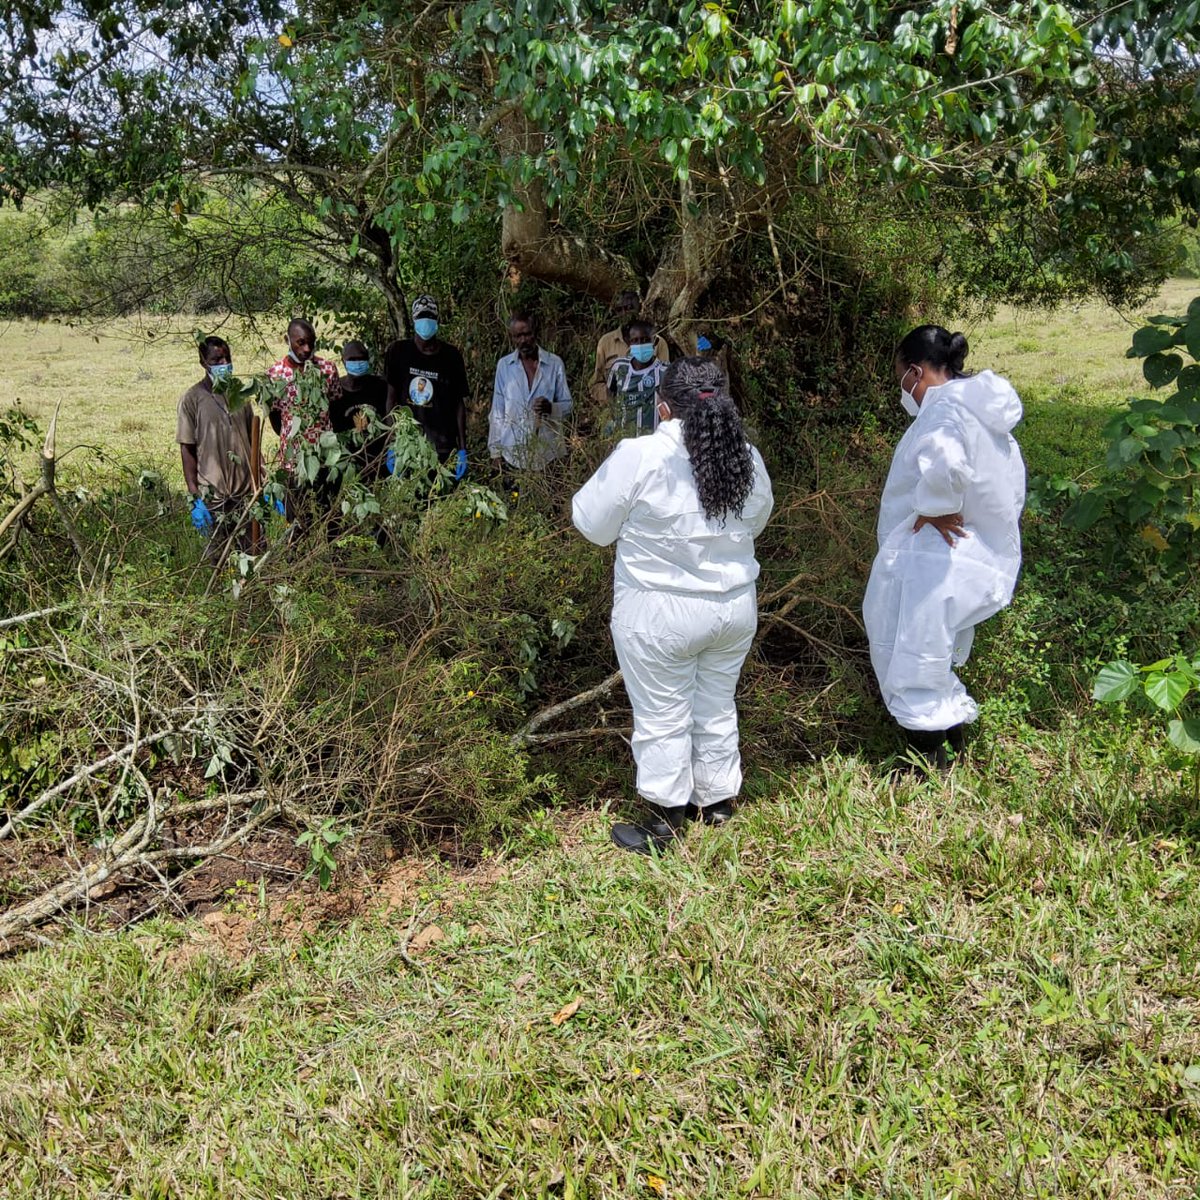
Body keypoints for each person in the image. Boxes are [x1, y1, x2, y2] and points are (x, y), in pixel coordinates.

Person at [572, 357, 774, 854]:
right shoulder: (744, 454)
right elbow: (758, 519)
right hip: (732, 609)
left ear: (662, 407)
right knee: (715, 706)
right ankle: (719, 804)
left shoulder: (640, 455)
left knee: (663, 715)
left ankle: (665, 822)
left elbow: (591, 524)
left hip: (661, 615)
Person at [862, 325, 1026, 765]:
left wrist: (936, 506)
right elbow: (1011, 484)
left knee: (912, 650)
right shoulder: (982, 412)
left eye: (902, 378)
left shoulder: (945, 411)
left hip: (933, 556)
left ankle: (927, 757)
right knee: (933, 652)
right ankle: (952, 741)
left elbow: (947, 463)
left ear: (915, 372)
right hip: (970, 554)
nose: (903, 390)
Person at [176, 335, 259, 563]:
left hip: (245, 496)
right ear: (203, 362)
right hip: (213, 498)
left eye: (227, 359)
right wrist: (195, 498)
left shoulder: (240, 393)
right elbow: (187, 449)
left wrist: (262, 482)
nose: (224, 365)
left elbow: (253, 442)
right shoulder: (192, 399)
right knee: (218, 562)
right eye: (216, 360)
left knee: (254, 559)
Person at [383, 295, 469, 481]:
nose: (425, 321)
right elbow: (391, 400)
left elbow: (459, 404)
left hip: (443, 446)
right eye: (421, 316)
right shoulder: (398, 352)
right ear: (414, 320)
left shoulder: (451, 356)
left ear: (437, 320)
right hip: (409, 446)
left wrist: (462, 448)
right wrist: (392, 443)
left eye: (429, 315)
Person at [266, 318, 342, 522]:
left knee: (332, 520)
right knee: (298, 522)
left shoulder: (327, 369)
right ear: (287, 340)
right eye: (300, 342)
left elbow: (335, 407)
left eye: (311, 342)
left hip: (326, 459)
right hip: (293, 462)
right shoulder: (275, 375)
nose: (307, 348)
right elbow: (275, 417)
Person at [489, 313, 573, 474]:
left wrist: (551, 408)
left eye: (527, 334)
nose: (523, 340)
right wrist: (495, 453)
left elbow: (568, 405)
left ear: (535, 333)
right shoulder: (504, 366)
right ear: (512, 337)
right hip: (512, 455)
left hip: (548, 456)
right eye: (518, 336)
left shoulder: (554, 364)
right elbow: (497, 412)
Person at [588, 290, 669, 412]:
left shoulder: (657, 342)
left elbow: (666, 382)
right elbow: (595, 384)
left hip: (649, 414)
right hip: (615, 416)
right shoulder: (606, 342)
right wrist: (614, 398)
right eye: (619, 310)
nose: (624, 313)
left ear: (639, 308)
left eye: (629, 308)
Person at [331, 340, 389, 482]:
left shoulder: (381, 386)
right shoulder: (335, 391)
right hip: (347, 463)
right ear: (343, 361)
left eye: (362, 358)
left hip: (378, 460)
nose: (357, 363)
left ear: (368, 360)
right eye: (352, 359)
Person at [605, 318, 668, 438]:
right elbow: (610, 390)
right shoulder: (619, 367)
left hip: (653, 441)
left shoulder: (664, 372)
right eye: (635, 340)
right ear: (629, 343)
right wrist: (613, 415)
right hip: (624, 440)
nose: (640, 345)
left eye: (645, 340)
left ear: (654, 341)